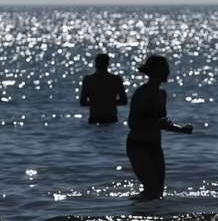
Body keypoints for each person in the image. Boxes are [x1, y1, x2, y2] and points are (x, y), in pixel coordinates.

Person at [126, 55, 192, 200]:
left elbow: (163, 123)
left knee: (158, 191)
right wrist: (154, 124)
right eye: (165, 68)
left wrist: (181, 129)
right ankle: (136, 216)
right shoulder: (141, 93)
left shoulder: (162, 94)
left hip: (155, 146)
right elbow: (132, 123)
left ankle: (152, 216)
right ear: (154, 70)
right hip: (138, 145)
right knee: (151, 188)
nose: (168, 72)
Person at [79, 53, 128, 124]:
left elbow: (83, 102)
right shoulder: (115, 79)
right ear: (107, 64)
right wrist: (109, 102)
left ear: (95, 64)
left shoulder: (88, 80)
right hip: (110, 117)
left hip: (95, 117)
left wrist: (97, 103)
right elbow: (124, 101)